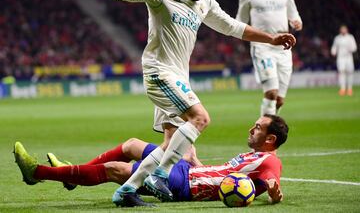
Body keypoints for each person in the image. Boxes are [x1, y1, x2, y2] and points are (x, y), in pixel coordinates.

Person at [52, 0, 295, 207]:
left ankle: (122, 189)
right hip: (160, 72)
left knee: (172, 144)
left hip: (179, 81)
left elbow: (233, 27)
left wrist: (271, 38)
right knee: (200, 118)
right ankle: (159, 175)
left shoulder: (205, 3)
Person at [14, 114, 288, 207]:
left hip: (184, 187)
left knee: (115, 170)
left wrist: (275, 194)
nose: (251, 129)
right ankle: (70, 174)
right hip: (189, 171)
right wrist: (195, 160)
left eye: (258, 128)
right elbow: (220, 173)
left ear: (271, 139)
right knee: (132, 145)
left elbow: (273, 186)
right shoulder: (253, 155)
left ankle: (37, 172)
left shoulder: (269, 162)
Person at [236, 0, 302, 116]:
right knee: (271, 93)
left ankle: (269, 125)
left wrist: (296, 21)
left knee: (279, 99)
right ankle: (263, 132)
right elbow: (240, 21)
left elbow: (293, 13)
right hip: (262, 46)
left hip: (284, 48)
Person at [331, 25, 357, 96]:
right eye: (342, 29)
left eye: (344, 29)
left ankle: (349, 89)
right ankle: (342, 89)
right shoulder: (337, 38)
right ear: (340, 30)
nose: (343, 31)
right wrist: (333, 51)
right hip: (340, 58)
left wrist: (350, 49)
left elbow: (354, 47)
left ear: (347, 30)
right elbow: (334, 47)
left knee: (350, 73)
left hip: (348, 57)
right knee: (341, 73)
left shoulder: (350, 37)